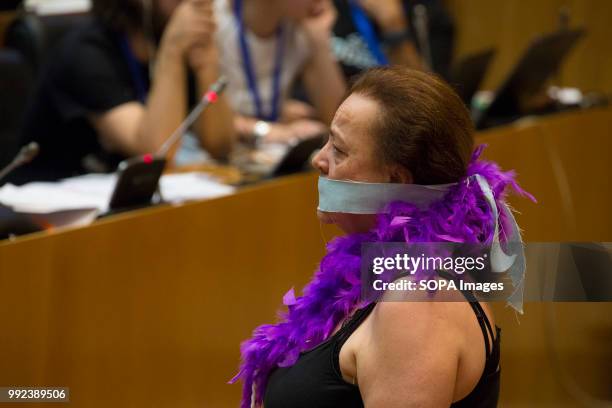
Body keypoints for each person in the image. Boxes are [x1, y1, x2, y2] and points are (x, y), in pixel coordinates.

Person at [231, 67, 534, 407]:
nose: (318, 159)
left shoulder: (418, 303)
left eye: (340, 151)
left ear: (396, 180)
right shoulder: (377, 271)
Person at [11, 0, 235, 183]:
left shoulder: (164, 40)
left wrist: (207, 66)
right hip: (51, 215)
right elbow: (154, 154)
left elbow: (220, 146)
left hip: (126, 203)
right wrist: (173, 53)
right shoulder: (85, 52)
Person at [213, 0, 346, 145]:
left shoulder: (300, 27)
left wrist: (320, 42)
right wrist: (266, 130)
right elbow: (203, 107)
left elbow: (338, 123)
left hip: (259, 152)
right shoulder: (213, 19)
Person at [331, 0, 455, 79]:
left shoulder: (423, 9)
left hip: (399, 115)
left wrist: (394, 26)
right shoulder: (323, 9)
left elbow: (431, 107)